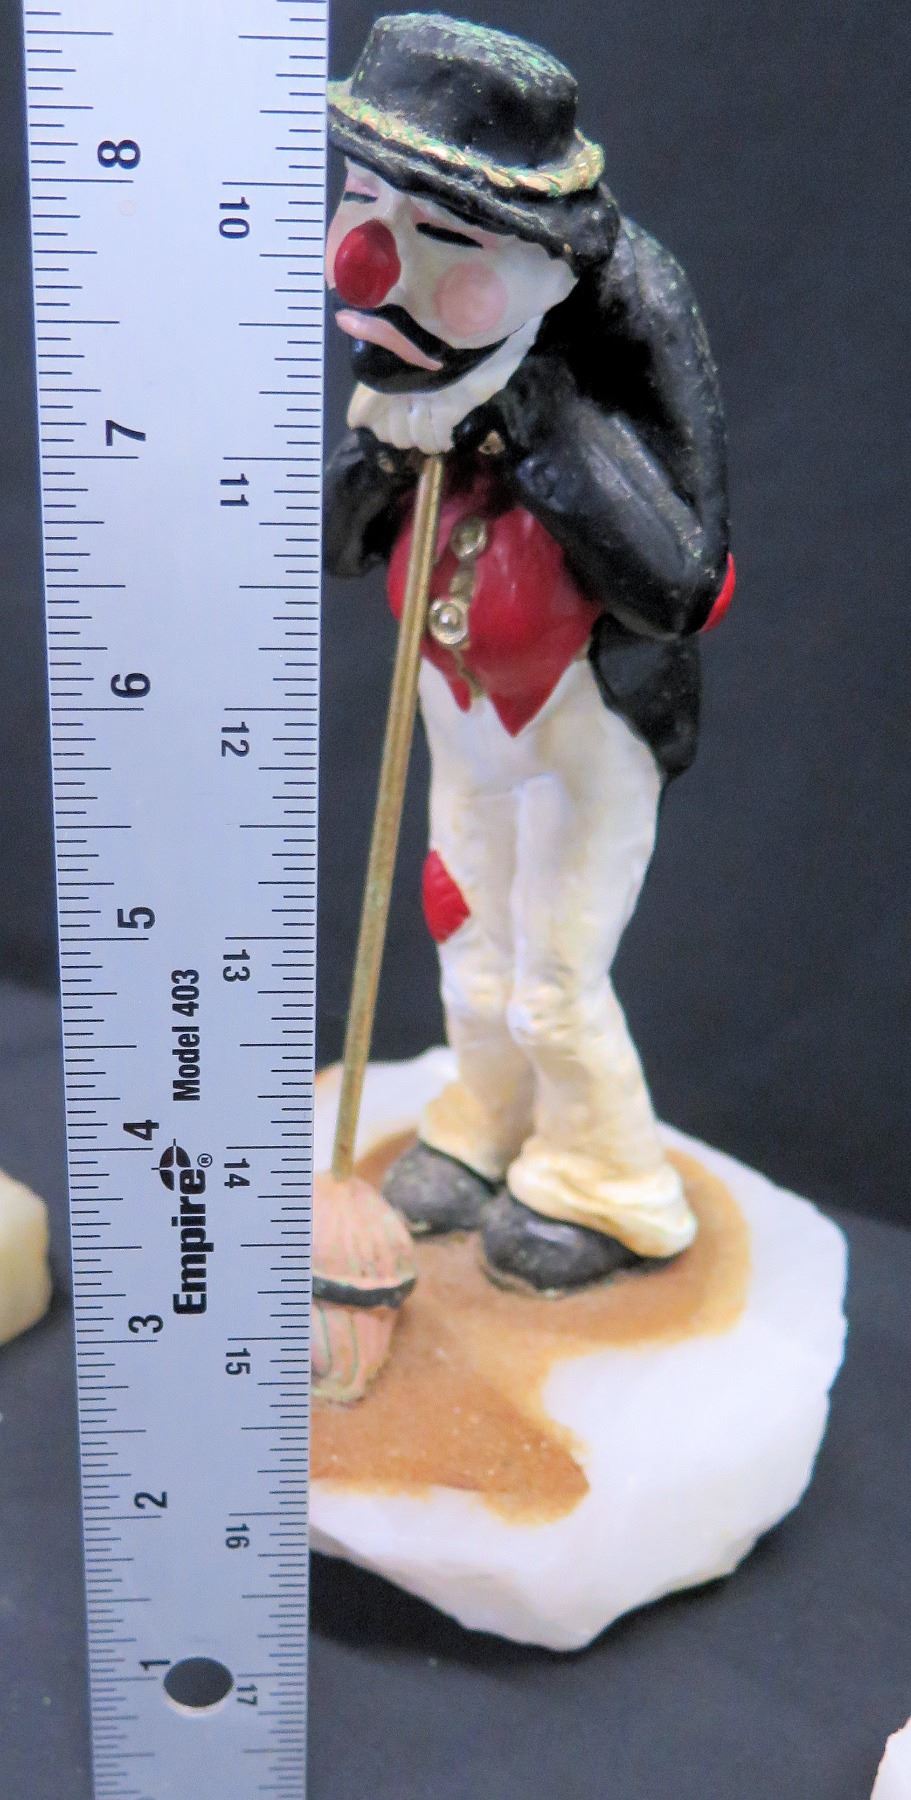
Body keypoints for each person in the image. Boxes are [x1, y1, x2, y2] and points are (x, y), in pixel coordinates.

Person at [323, 13, 734, 1292]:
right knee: (464, 934)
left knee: (552, 974)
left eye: (444, 240)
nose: (365, 262)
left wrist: (535, 428)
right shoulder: (405, 392)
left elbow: (680, 584)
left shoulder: (580, 381)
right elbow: (341, 542)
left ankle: (608, 1183)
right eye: (361, 206)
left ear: (548, 270)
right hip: (458, 715)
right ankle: (481, 1121)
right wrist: (385, 451)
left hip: (578, 726)